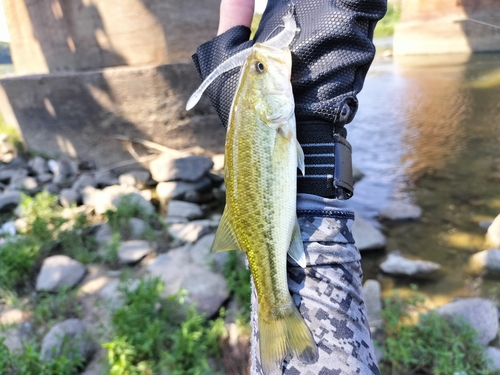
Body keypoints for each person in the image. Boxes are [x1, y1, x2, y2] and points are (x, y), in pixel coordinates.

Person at [192, 0, 387, 373]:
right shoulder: (267, 111)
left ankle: (272, 311)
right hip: (298, 231)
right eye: (262, 69)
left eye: (259, 67)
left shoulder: (263, 108)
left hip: (272, 227)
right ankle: (275, 309)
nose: (267, 63)